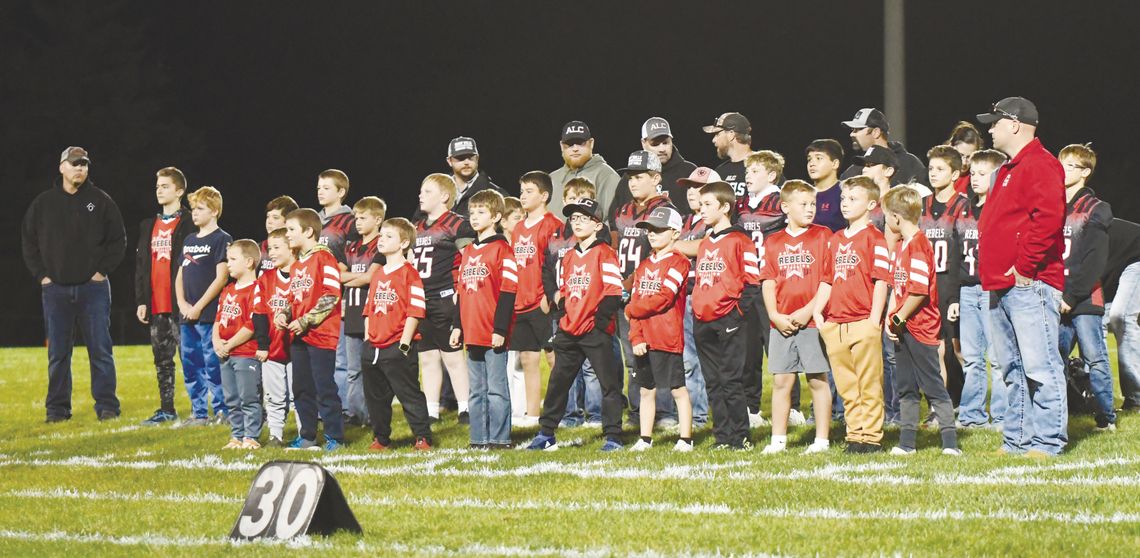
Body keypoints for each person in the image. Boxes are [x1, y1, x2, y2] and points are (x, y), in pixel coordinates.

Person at [976, 97, 1068, 457]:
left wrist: (1025, 267)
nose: (990, 128)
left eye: (995, 122)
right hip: (1002, 283)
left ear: (1014, 124)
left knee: (1040, 366)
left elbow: (1047, 219)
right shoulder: (1008, 168)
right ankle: (1017, 440)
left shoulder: (1041, 164)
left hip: (1030, 282)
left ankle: (1047, 441)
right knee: (1012, 368)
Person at [22, 146, 126, 422]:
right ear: (62, 167)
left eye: (84, 164)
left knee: (100, 351)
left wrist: (101, 271)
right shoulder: (43, 203)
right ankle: (57, 410)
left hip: (94, 290)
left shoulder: (101, 200)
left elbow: (118, 240)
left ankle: (107, 407)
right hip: (55, 290)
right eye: (75, 163)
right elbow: (28, 243)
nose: (80, 168)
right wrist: (42, 276)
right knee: (58, 354)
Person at [526, 198, 625, 451]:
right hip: (569, 330)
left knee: (609, 385)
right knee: (558, 383)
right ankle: (546, 433)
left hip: (594, 331)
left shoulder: (605, 253)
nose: (577, 223)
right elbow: (564, 292)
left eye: (584, 218)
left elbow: (613, 292)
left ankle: (613, 436)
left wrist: (599, 324)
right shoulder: (568, 256)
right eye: (574, 218)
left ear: (597, 224)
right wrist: (562, 315)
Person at [881, 187, 960, 456]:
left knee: (933, 386)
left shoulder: (918, 245)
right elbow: (898, 288)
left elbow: (918, 291)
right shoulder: (903, 245)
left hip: (921, 328)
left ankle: (950, 442)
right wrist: (892, 319)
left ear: (895, 217)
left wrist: (898, 318)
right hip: (904, 327)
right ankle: (907, 443)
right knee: (906, 387)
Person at [815, 176, 890, 453]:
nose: (845, 204)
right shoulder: (835, 239)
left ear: (871, 203)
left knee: (868, 383)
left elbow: (881, 280)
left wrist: (874, 320)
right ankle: (854, 435)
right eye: (844, 198)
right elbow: (826, 279)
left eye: (853, 199)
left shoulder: (875, 237)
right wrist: (818, 312)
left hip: (862, 320)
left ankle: (871, 437)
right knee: (847, 386)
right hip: (836, 322)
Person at [758, 180, 833, 454]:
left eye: (813, 204)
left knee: (817, 379)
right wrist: (774, 314)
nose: (810, 209)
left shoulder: (823, 235)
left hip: (812, 320)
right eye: (803, 204)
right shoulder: (774, 240)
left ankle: (822, 440)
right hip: (781, 322)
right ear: (785, 207)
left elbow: (828, 279)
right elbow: (767, 280)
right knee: (782, 381)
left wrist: (809, 310)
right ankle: (778, 440)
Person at [398, 173, 474, 423]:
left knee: (452, 356)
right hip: (421, 300)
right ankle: (432, 409)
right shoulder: (415, 227)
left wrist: (459, 293)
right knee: (427, 356)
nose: (420, 195)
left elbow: (469, 260)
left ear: (444, 196)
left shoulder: (457, 224)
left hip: (445, 297)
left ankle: (465, 407)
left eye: (427, 191)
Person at [692, 181, 761, 450]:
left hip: (728, 319)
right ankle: (722, 436)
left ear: (724, 207)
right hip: (703, 319)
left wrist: (735, 316)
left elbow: (752, 283)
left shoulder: (740, 240)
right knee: (713, 382)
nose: (701, 209)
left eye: (708, 204)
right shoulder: (707, 240)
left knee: (731, 380)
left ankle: (740, 436)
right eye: (701, 204)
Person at [611, 150, 677, 428]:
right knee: (632, 356)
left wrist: (629, 283)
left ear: (656, 178)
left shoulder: (665, 210)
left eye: (639, 177)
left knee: (658, 354)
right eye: (630, 177)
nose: (632, 182)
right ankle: (638, 411)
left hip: (650, 291)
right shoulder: (623, 210)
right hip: (625, 292)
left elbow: (663, 254)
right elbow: (613, 248)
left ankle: (665, 412)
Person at [451, 190, 518, 449]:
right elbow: (461, 291)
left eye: (481, 212)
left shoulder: (503, 250)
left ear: (496, 217)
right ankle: (479, 439)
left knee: (496, 389)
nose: (475, 217)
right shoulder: (468, 251)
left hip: (492, 331)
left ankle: (500, 439)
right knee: (476, 390)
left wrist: (500, 328)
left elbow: (509, 291)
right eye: (472, 212)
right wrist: (457, 326)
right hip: (471, 329)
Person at [1057, 143, 1116, 431]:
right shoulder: (1051, 206)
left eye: (1070, 166)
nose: (1062, 170)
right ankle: (1056, 414)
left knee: (1095, 357)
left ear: (1085, 172)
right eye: (1061, 164)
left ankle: (1106, 418)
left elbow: (1094, 260)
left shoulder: (1097, 208)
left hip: (1084, 298)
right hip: (1056, 296)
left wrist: (1071, 294)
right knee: (1053, 356)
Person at [626, 206, 694, 451]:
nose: (652, 234)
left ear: (675, 233)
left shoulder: (679, 263)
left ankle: (685, 438)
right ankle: (645, 438)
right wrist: (636, 337)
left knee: (677, 389)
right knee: (646, 390)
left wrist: (632, 310)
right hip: (644, 339)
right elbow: (634, 302)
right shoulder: (644, 265)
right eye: (649, 230)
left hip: (667, 337)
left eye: (658, 230)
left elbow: (664, 298)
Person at [361, 218, 433, 451]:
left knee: (409, 394)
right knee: (376, 398)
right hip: (373, 346)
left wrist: (404, 344)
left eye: (388, 236)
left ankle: (422, 436)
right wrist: (367, 340)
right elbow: (369, 309)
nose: (381, 239)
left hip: (397, 346)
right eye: (381, 235)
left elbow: (415, 310)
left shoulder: (409, 273)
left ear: (403, 243)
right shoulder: (378, 273)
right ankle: (381, 438)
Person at [541, 179, 606, 428]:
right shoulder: (556, 234)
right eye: (570, 198)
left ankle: (595, 414)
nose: (575, 204)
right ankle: (569, 415)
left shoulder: (596, 237)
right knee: (564, 366)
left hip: (586, 308)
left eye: (581, 198)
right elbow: (546, 268)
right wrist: (553, 294)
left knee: (591, 367)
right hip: (562, 310)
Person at [951, 149, 1008, 429]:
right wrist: (953, 295)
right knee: (972, 358)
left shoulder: (1003, 208)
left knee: (997, 359)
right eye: (972, 173)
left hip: (992, 289)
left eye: (982, 173)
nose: (974, 178)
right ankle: (972, 414)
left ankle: (1001, 415)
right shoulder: (963, 208)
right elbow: (955, 255)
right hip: (967, 288)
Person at [279, 208, 344, 451]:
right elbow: (294, 299)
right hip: (299, 335)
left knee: (323, 387)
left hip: (320, 335)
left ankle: (334, 437)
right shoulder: (297, 265)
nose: (287, 235)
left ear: (308, 232)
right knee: (301, 388)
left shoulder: (324, 258)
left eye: (291, 230)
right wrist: (284, 314)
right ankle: (307, 436)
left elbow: (331, 296)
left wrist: (305, 320)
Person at [738, 150, 794, 427]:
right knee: (748, 350)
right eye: (747, 171)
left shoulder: (782, 201)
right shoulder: (741, 204)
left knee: (779, 347)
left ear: (771, 175)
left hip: (774, 283)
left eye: (755, 171)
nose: (748, 176)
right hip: (747, 285)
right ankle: (751, 407)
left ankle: (792, 407)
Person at [135, 166, 194, 426]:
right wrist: (141, 300)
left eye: (165, 186)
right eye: (157, 186)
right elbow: (141, 265)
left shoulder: (190, 222)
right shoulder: (149, 225)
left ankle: (200, 410)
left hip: (182, 303)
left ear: (179, 191)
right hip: (157, 304)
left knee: (191, 359)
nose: (159, 190)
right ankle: (167, 408)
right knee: (162, 360)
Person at [174, 186, 231, 426]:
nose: (194, 213)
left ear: (215, 211)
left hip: (208, 314)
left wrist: (198, 306)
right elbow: (179, 275)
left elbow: (222, 278)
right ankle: (198, 412)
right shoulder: (188, 239)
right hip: (187, 315)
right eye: (193, 208)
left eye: (200, 208)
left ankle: (221, 411)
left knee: (212, 363)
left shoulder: (222, 239)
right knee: (190, 364)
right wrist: (182, 304)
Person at [510, 171, 563, 423]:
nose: (523, 195)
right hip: (521, 302)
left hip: (542, 302)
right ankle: (533, 413)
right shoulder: (518, 228)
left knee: (554, 358)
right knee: (528, 358)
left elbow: (555, 264)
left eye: (529, 191)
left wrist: (548, 296)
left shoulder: (553, 225)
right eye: (521, 190)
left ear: (544, 196)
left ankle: (561, 411)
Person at [922, 145, 969, 409]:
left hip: (951, 283)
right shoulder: (921, 206)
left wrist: (957, 293)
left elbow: (964, 252)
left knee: (955, 349)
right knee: (933, 348)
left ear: (954, 174)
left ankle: (962, 400)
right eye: (931, 168)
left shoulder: (964, 207)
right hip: (927, 284)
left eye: (940, 169)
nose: (933, 174)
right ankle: (938, 404)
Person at [339, 196, 387, 426]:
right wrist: (360, 278)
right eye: (356, 217)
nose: (357, 222)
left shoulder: (382, 244)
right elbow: (338, 275)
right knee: (353, 370)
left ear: (378, 219)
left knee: (373, 368)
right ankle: (355, 414)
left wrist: (353, 278)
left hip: (374, 314)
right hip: (352, 313)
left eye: (363, 218)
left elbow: (373, 277)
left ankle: (374, 415)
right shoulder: (351, 246)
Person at [214, 240, 264, 450]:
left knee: (249, 397)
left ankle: (251, 436)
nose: (228, 264)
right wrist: (217, 341)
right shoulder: (227, 290)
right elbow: (218, 319)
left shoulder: (257, 289)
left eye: (233, 259)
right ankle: (237, 435)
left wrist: (230, 344)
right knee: (232, 398)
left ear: (249, 262)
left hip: (245, 353)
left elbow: (252, 324)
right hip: (226, 353)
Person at [316, 169, 357, 420]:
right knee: (319, 358)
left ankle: (341, 409)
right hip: (313, 297)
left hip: (338, 296)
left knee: (340, 358)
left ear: (341, 192)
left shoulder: (350, 221)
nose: (320, 191)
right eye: (319, 187)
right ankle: (323, 407)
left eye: (326, 187)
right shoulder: (313, 220)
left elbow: (352, 260)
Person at [253, 228, 298, 446]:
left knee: (300, 394)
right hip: (272, 346)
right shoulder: (266, 278)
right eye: (270, 248)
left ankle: (304, 433)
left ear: (292, 248)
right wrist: (263, 344)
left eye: (277, 247)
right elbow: (260, 313)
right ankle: (275, 435)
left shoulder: (303, 274)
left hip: (299, 346)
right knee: (273, 395)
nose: (271, 253)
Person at [609, 117, 697, 218]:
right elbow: (614, 217)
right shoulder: (631, 176)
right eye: (655, 144)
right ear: (643, 143)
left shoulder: (689, 172)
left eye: (665, 142)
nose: (662, 149)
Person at [1104, 217, 1140, 411]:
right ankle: (1094, 395)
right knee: (1093, 321)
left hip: (1136, 256)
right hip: (1113, 264)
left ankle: (1136, 398)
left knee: (1121, 316)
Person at [549, 121, 621, 217]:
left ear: (591, 143)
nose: (575, 148)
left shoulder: (607, 175)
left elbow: (612, 221)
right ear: (562, 146)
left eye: (580, 143)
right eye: (569, 144)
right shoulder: (551, 179)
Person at [840, 108, 926, 185]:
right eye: (852, 130)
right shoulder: (851, 173)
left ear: (876, 132)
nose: (852, 134)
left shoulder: (909, 163)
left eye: (858, 129)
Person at [446, 136, 508, 217]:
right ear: (449, 161)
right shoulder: (436, 191)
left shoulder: (497, 193)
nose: (466, 162)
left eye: (471, 157)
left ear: (477, 158)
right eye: (460, 158)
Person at [702, 112, 753, 196]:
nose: (713, 140)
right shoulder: (720, 172)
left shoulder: (764, 166)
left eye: (717, 134)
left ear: (731, 134)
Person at [805, 139, 848, 232]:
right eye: (809, 159)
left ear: (835, 163)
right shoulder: (802, 194)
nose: (811, 164)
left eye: (819, 158)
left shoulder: (845, 193)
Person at [946, 122, 986, 195]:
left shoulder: (979, 182)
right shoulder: (934, 172)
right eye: (960, 155)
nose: (964, 162)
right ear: (951, 147)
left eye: (969, 157)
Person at [260, 196, 299, 274]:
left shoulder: (300, 250)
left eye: (275, 217)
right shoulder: (259, 248)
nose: (269, 221)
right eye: (268, 216)